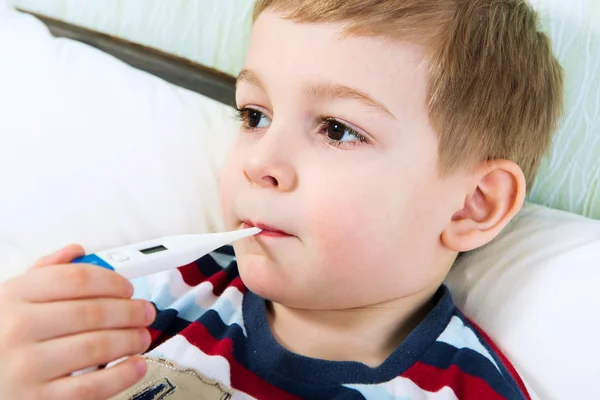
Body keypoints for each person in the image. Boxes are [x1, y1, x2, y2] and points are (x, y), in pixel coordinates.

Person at [0, 0, 563, 398]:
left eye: (338, 130)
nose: (259, 161)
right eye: (254, 116)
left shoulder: (464, 392)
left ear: (472, 205)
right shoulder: (154, 301)